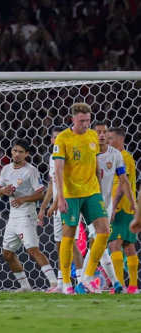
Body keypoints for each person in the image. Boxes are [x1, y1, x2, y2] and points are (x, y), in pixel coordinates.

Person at [53, 103, 109, 294]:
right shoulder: (63, 139)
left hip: (92, 191)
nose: (86, 124)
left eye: (88, 120)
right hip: (71, 194)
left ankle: (86, 279)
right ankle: (67, 284)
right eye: (82, 121)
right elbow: (58, 170)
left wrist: (100, 191)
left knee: (104, 231)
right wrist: (60, 197)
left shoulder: (93, 136)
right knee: (68, 238)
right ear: (73, 120)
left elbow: (95, 165)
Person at [78, 122, 134, 294]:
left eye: (105, 132)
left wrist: (132, 202)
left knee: (97, 243)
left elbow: (123, 180)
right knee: (99, 239)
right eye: (98, 132)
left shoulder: (115, 155)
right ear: (92, 134)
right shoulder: (86, 153)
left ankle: (84, 282)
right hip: (89, 204)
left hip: (107, 206)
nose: (102, 135)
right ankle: (113, 282)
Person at [0, 139, 58, 292]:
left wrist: (23, 198)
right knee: (7, 253)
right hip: (13, 217)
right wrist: (3, 191)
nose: (17, 154)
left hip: (27, 216)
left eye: (21, 152)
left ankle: (54, 283)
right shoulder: (6, 169)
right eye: (15, 151)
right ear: (11, 151)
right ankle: (25, 286)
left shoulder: (31, 171)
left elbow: (41, 194)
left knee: (32, 250)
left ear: (27, 154)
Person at [38, 126, 83, 292]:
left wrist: (56, 203)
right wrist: (43, 207)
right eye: (54, 137)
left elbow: (67, 182)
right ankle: (62, 283)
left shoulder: (67, 155)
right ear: (51, 140)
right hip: (57, 207)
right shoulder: (52, 157)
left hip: (68, 203)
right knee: (59, 245)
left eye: (59, 137)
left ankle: (81, 281)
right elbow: (52, 184)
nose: (56, 139)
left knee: (71, 244)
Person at [108, 127, 138, 294]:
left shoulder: (122, 157)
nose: (107, 140)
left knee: (114, 245)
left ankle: (119, 285)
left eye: (111, 138)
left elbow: (121, 182)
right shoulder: (128, 157)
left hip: (119, 207)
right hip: (129, 208)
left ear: (120, 140)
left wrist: (113, 205)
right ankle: (133, 286)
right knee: (128, 246)